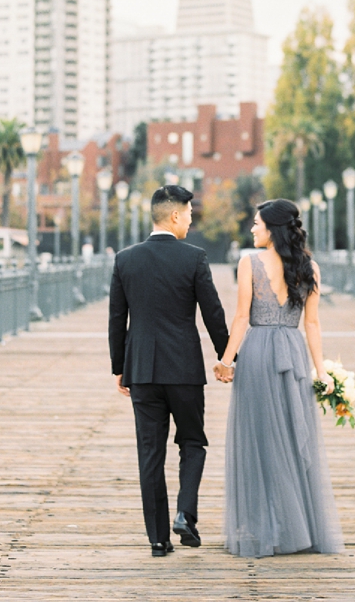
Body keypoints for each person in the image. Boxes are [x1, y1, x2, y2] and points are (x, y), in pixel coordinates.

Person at [213, 199, 343, 557]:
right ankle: (296, 527)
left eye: (257, 223)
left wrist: (226, 362)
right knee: (291, 437)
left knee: (257, 440)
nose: (253, 229)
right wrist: (321, 371)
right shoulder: (308, 267)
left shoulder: (249, 263)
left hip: (257, 353)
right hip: (293, 351)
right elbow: (312, 324)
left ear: (272, 228)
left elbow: (241, 317)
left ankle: (263, 527)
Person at [108, 183, 229, 557]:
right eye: (190, 215)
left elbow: (117, 319)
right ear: (175, 215)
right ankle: (185, 515)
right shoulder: (194, 258)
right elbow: (213, 314)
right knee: (192, 441)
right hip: (184, 369)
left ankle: (158, 539)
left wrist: (119, 367)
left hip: (141, 369)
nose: (191, 222)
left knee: (150, 452)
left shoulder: (125, 260)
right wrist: (228, 357)